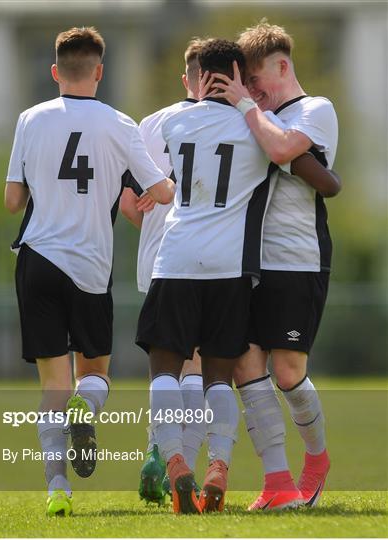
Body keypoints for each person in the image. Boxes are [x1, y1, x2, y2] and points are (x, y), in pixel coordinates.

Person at [135, 38, 330, 514]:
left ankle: (177, 459)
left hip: (176, 260)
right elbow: (311, 171)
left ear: (199, 78)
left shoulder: (173, 123)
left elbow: (158, 181)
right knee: (222, 375)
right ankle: (219, 466)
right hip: (230, 269)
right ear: (240, 77)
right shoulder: (258, 130)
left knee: (165, 369)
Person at [4, 26, 174, 517]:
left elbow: (14, 200)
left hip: (37, 260)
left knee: (51, 385)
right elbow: (161, 192)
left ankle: (57, 488)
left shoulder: (30, 119)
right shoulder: (120, 124)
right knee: (94, 373)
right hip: (91, 267)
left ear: (55, 71)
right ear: (100, 71)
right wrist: (151, 189)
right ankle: (87, 409)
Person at [206, 20, 340, 510]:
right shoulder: (253, 117)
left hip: (295, 259)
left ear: (281, 67)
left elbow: (283, 148)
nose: (252, 93)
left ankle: (317, 460)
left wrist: (245, 106)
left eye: (256, 82)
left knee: (287, 372)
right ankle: (278, 481)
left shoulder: (315, 109)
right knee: (246, 364)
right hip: (244, 261)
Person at [119, 38, 208, 505]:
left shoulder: (149, 124)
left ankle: (157, 451)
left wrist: (150, 215)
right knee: (194, 364)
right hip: (203, 259)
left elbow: (127, 205)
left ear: (183, 78)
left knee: (162, 368)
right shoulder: (228, 121)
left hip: (155, 260)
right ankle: (183, 465)